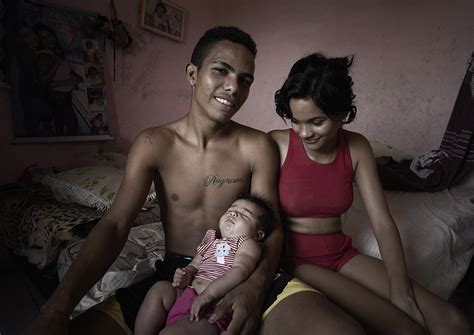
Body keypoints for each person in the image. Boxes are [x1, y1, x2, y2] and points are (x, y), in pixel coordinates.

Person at [21, 27, 365, 335]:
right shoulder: (153, 143)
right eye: (221, 70)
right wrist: (57, 308)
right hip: (176, 276)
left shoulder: (256, 146)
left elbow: (270, 227)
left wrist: (254, 287)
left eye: (245, 79)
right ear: (192, 73)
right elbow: (114, 225)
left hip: (245, 271)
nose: (233, 87)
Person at [269, 52, 471, 335]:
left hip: (340, 252)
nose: (304, 133)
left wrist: (402, 292)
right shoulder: (276, 144)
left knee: (454, 323)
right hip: (296, 259)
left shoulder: (356, 147)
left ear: (341, 115)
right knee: (406, 330)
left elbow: (382, 223)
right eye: (296, 120)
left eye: (316, 122)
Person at [135, 194, 274, 335]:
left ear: (258, 234)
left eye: (244, 215)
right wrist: (186, 273)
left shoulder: (247, 243)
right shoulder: (211, 240)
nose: (233, 213)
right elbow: (195, 264)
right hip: (187, 295)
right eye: (231, 210)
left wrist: (209, 294)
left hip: (212, 308)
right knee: (160, 289)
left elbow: (241, 270)